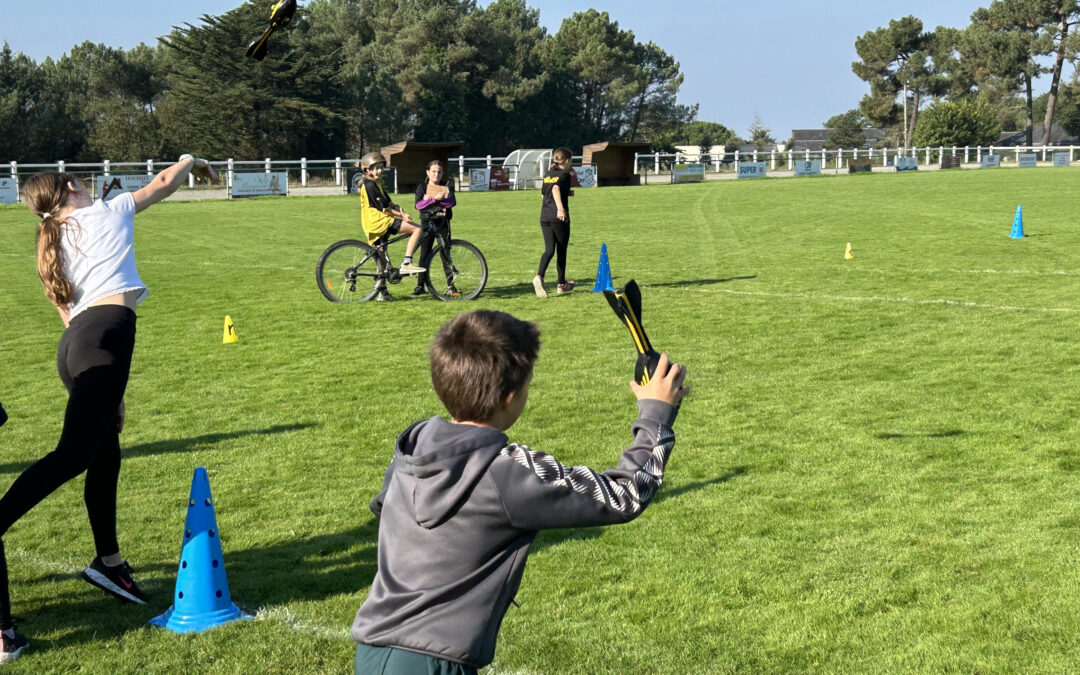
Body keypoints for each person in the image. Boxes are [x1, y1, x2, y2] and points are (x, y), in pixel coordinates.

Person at [350, 309, 689, 674]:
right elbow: (626, 495)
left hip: (373, 650)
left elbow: (384, 508)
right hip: (435, 662)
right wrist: (656, 414)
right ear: (508, 398)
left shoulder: (412, 448)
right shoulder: (506, 471)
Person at [0, 156, 218, 663]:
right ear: (73, 188)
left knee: (103, 452)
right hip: (104, 339)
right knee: (74, 455)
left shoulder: (53, 237)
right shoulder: (106, 210)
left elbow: (66, 308)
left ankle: (108, 560)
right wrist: (192, 161)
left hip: (80, 345)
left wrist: (108, 387)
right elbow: (164, 183)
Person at [357, 152, 426, 302]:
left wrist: (397, 207)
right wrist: (401, 215)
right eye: (376, 168)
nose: (379, 171)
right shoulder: (369, 185)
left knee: (380, 258)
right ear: (367, 170)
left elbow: (387, 202)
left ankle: (382, 292)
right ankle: (407, 262)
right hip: (379, 222)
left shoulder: (376, 183)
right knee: (417, 229)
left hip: (374, 223)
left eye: (381, 168)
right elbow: (384, 209)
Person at [533, 147, 576, 299]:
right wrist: (560, 209)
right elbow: (556, 189)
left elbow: (544, 193)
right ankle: (561, 284)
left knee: (549, 250)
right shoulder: (565, 175)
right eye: (570, 159)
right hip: (558, 217)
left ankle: (539, 276)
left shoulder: (548, 174)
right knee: (562, 250)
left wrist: (567, 193)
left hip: (544, 215)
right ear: (565, 160)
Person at [412, 160, 458, 297]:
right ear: (428, 172)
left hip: (443, 224)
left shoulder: (447, 186)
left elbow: (451, 202)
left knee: (445, 254)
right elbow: (418, 205)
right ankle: (420, 286)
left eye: (439, 172)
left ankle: (451, 286)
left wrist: (433, 199)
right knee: (424, 255)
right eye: (433, 171)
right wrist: (431, 199)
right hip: (427, 223)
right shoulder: (422, 187)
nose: (436, 174)